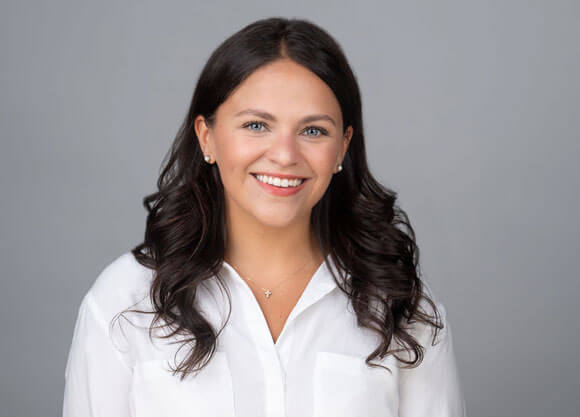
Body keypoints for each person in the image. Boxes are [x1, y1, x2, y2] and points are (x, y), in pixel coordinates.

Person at [63, 17, 465, 417]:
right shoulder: (124, 300)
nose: (285, 154)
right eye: (256, 125)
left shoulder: (400, 305)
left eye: (313, 131)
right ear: (207, 137)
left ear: (343, 147)